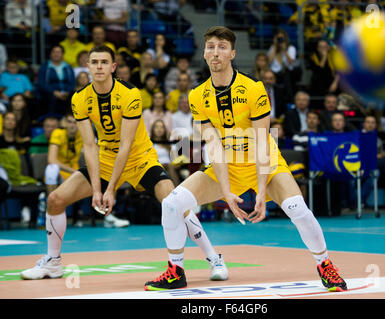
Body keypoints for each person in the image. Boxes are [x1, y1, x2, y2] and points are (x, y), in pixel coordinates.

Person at [144, 26, 347, 292]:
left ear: (232, 54)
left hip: (265, 163)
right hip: (227, 165)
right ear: (204, 54)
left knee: (298, 209)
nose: (215, 52)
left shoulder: (253, 89)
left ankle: (325, 266)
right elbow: (213, 145)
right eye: (211, 47)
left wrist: (261, 191)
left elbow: (263, 141)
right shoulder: (197, 95)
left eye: (222, 47)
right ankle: (175, 270)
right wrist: (226, 192)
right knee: (171, 204)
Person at [20, 45, 227, 282]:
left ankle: (215, 259)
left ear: (113, 67)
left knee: (174, 202)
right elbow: (89, 146)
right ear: (87, 66)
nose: (99, 66)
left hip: (140, 158)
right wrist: (97, 189)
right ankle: (53, 262)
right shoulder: (79, 98)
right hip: (106, 159)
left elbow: (126, 145)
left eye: (104, 62)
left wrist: (110, 190)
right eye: (94, 62)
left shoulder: (130, 94)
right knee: (56, 200)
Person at [36, 45, 75, 116]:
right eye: (54, 52)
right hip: (50, 94)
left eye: (58, 52)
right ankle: (51, 119)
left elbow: (72, 83)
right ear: (50, 54)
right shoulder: (44, 67)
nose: (56, 54)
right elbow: (41, 83)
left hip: (66, 94)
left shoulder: (68, 67)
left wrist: (67, 92)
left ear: (63, 54)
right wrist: (54, 92)